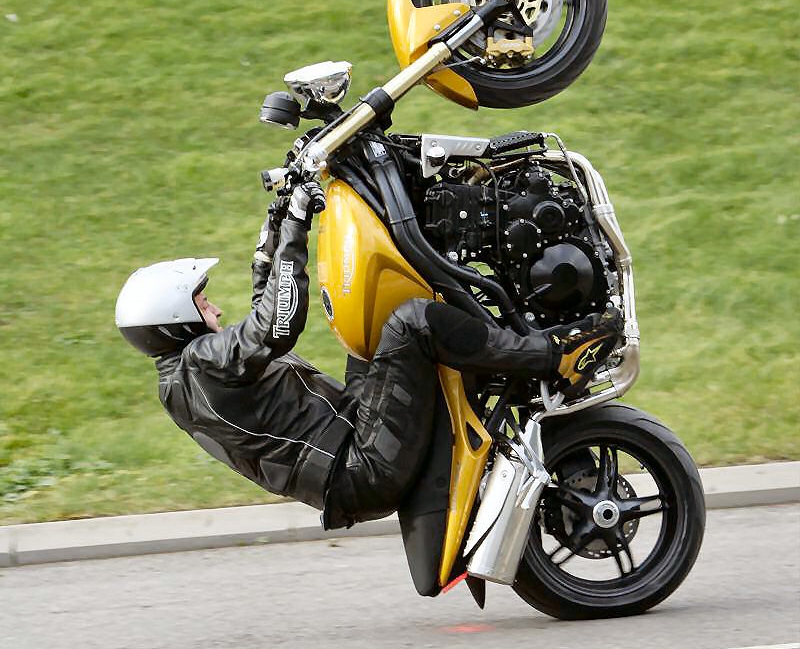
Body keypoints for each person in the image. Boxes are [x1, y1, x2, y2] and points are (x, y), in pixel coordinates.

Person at [115, 183, 622, 529]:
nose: (214, 307)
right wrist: (295, 226)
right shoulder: (200, 365)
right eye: (203, 302)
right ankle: (549, 356)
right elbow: (276, 326)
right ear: (174, 318)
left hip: (351, 452)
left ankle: (499, 370)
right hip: (359, 466)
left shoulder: (187, 376)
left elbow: (260, 317)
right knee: (412, 322)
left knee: (371, 322)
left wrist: (273, 236)